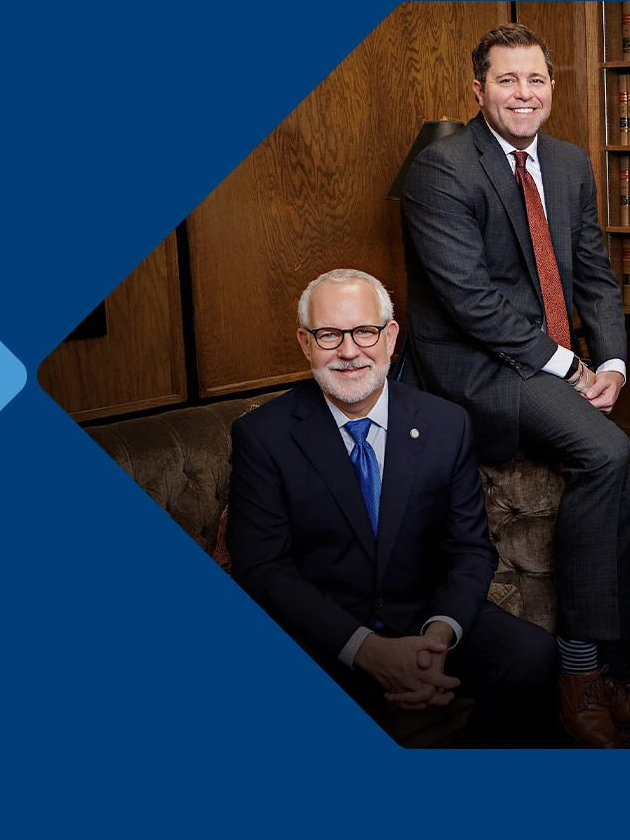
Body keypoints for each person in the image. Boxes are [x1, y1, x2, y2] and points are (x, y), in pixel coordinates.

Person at [397, 24, 630, 747]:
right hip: (475, 369)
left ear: (552, 87)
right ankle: (577, 677)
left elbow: (595, 276)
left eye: (536, 80)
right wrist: (567, 366)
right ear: (478, 89)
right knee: (606, 456)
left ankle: (608, 669)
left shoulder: (570, 164)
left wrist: (611, 363)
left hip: (544, 360)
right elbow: (469, 301)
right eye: (507, 80)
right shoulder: (442, 169)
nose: (524, 93)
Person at [226, 269, 556, 747]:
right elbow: (263, 568)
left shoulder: (446, 424)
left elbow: (470, 550)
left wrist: (437, 639)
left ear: (390, 335)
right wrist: (367, 650)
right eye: (328, 334)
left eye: (364, 331)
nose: (348, 351)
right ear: (305, 342)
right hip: (324, 632)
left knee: (532, 654)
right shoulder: (264, 436)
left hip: (424, 620)